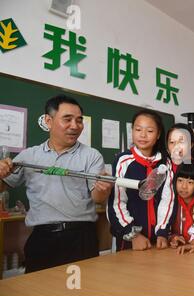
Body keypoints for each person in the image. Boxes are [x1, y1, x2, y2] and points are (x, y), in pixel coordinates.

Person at [0, 94, 112, 273]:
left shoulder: (91, 155)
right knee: (38, 293)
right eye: (67, 119)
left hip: (80, 237)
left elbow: (97, 197)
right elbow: (4, 185)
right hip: (42, 238)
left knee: (79, 292)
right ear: (48, 121)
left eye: (79, 120)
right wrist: (1, 172)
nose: (75, 126)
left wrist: (103, 189)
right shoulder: (29, 156)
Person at [107, 109, 175, 251]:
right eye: (138, 129)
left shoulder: (165, 163)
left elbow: (167, 200)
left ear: (158, 135)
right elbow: (117, 202)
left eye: (150, 131)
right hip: (130, 240)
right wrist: (133, 234)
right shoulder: (123, 160)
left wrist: (162, 232)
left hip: (157, 241)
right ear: (132, 130)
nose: (143, 135)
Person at [168, 163, 194, 248]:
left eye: (190, 182)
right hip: (179, 254)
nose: (184, 186)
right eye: (180, 180)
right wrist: (174, 238)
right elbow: (167, 229)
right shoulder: (171, 203)